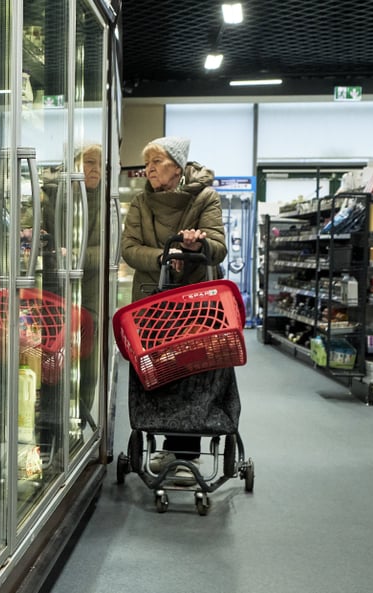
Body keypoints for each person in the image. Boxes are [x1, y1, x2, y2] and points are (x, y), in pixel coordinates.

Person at [120, 136, 227, 483]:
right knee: (157, 368)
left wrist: (200, 244)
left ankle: (184, 450)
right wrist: (164, 256)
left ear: (178, 167)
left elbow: (219, 247)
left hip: (198, 304)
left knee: (193, 369)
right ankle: (163, 440)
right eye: (146, 163)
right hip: (153, 298)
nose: (149, 168)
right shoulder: (140, 203)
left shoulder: (205, 198)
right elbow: (129, 249)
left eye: (157, 161)